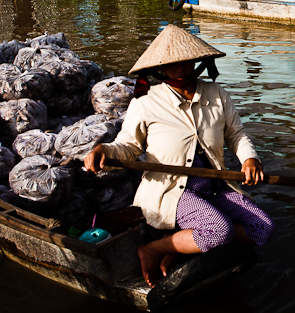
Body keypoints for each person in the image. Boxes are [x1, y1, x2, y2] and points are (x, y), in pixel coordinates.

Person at [84, 23, 273, 288]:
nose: (181, 70)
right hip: (174, 192)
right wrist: (103, 151)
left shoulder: (216, 94)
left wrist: (250, 159)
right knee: (220, 230)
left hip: (216, 186)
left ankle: (177, 247)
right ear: (159, 68)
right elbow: (128, 146)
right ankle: (153, 249)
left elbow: (236, 135)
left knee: (263, 228)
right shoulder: (146, 101)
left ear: (197, 61)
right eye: (172, 64)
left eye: (187, 63)